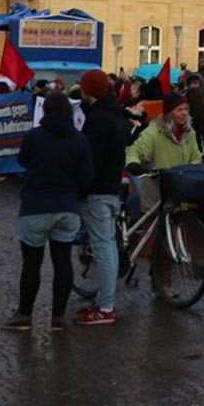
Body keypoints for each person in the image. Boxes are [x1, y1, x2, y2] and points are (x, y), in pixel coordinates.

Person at [3, 92, 94, 331]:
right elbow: (86, 177)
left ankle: (24, 314)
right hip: (66, 206)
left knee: (31, 264)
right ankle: (58, 317)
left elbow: (22, 160)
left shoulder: (34, 136)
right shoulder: (79, 139)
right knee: (63, 262)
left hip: (35, 205)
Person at [75, 69, 128, 326]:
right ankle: (105, 301)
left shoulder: (98, 120)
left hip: (98, 190)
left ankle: (105, 306)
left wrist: (82, 186)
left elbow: (90, 160)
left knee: (103, 247)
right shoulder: (115, 114)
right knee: (108, 246)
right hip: (111, 186)